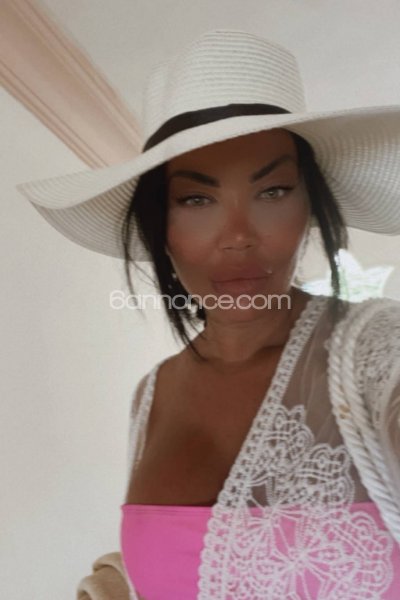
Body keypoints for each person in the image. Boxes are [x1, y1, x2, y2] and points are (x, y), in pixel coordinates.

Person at [17, 28, 400, 600]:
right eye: (196, 199)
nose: (239, 237)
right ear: (160, 225)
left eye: (273, 191)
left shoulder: (377, 351)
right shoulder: (151, 394)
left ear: (310, 206)